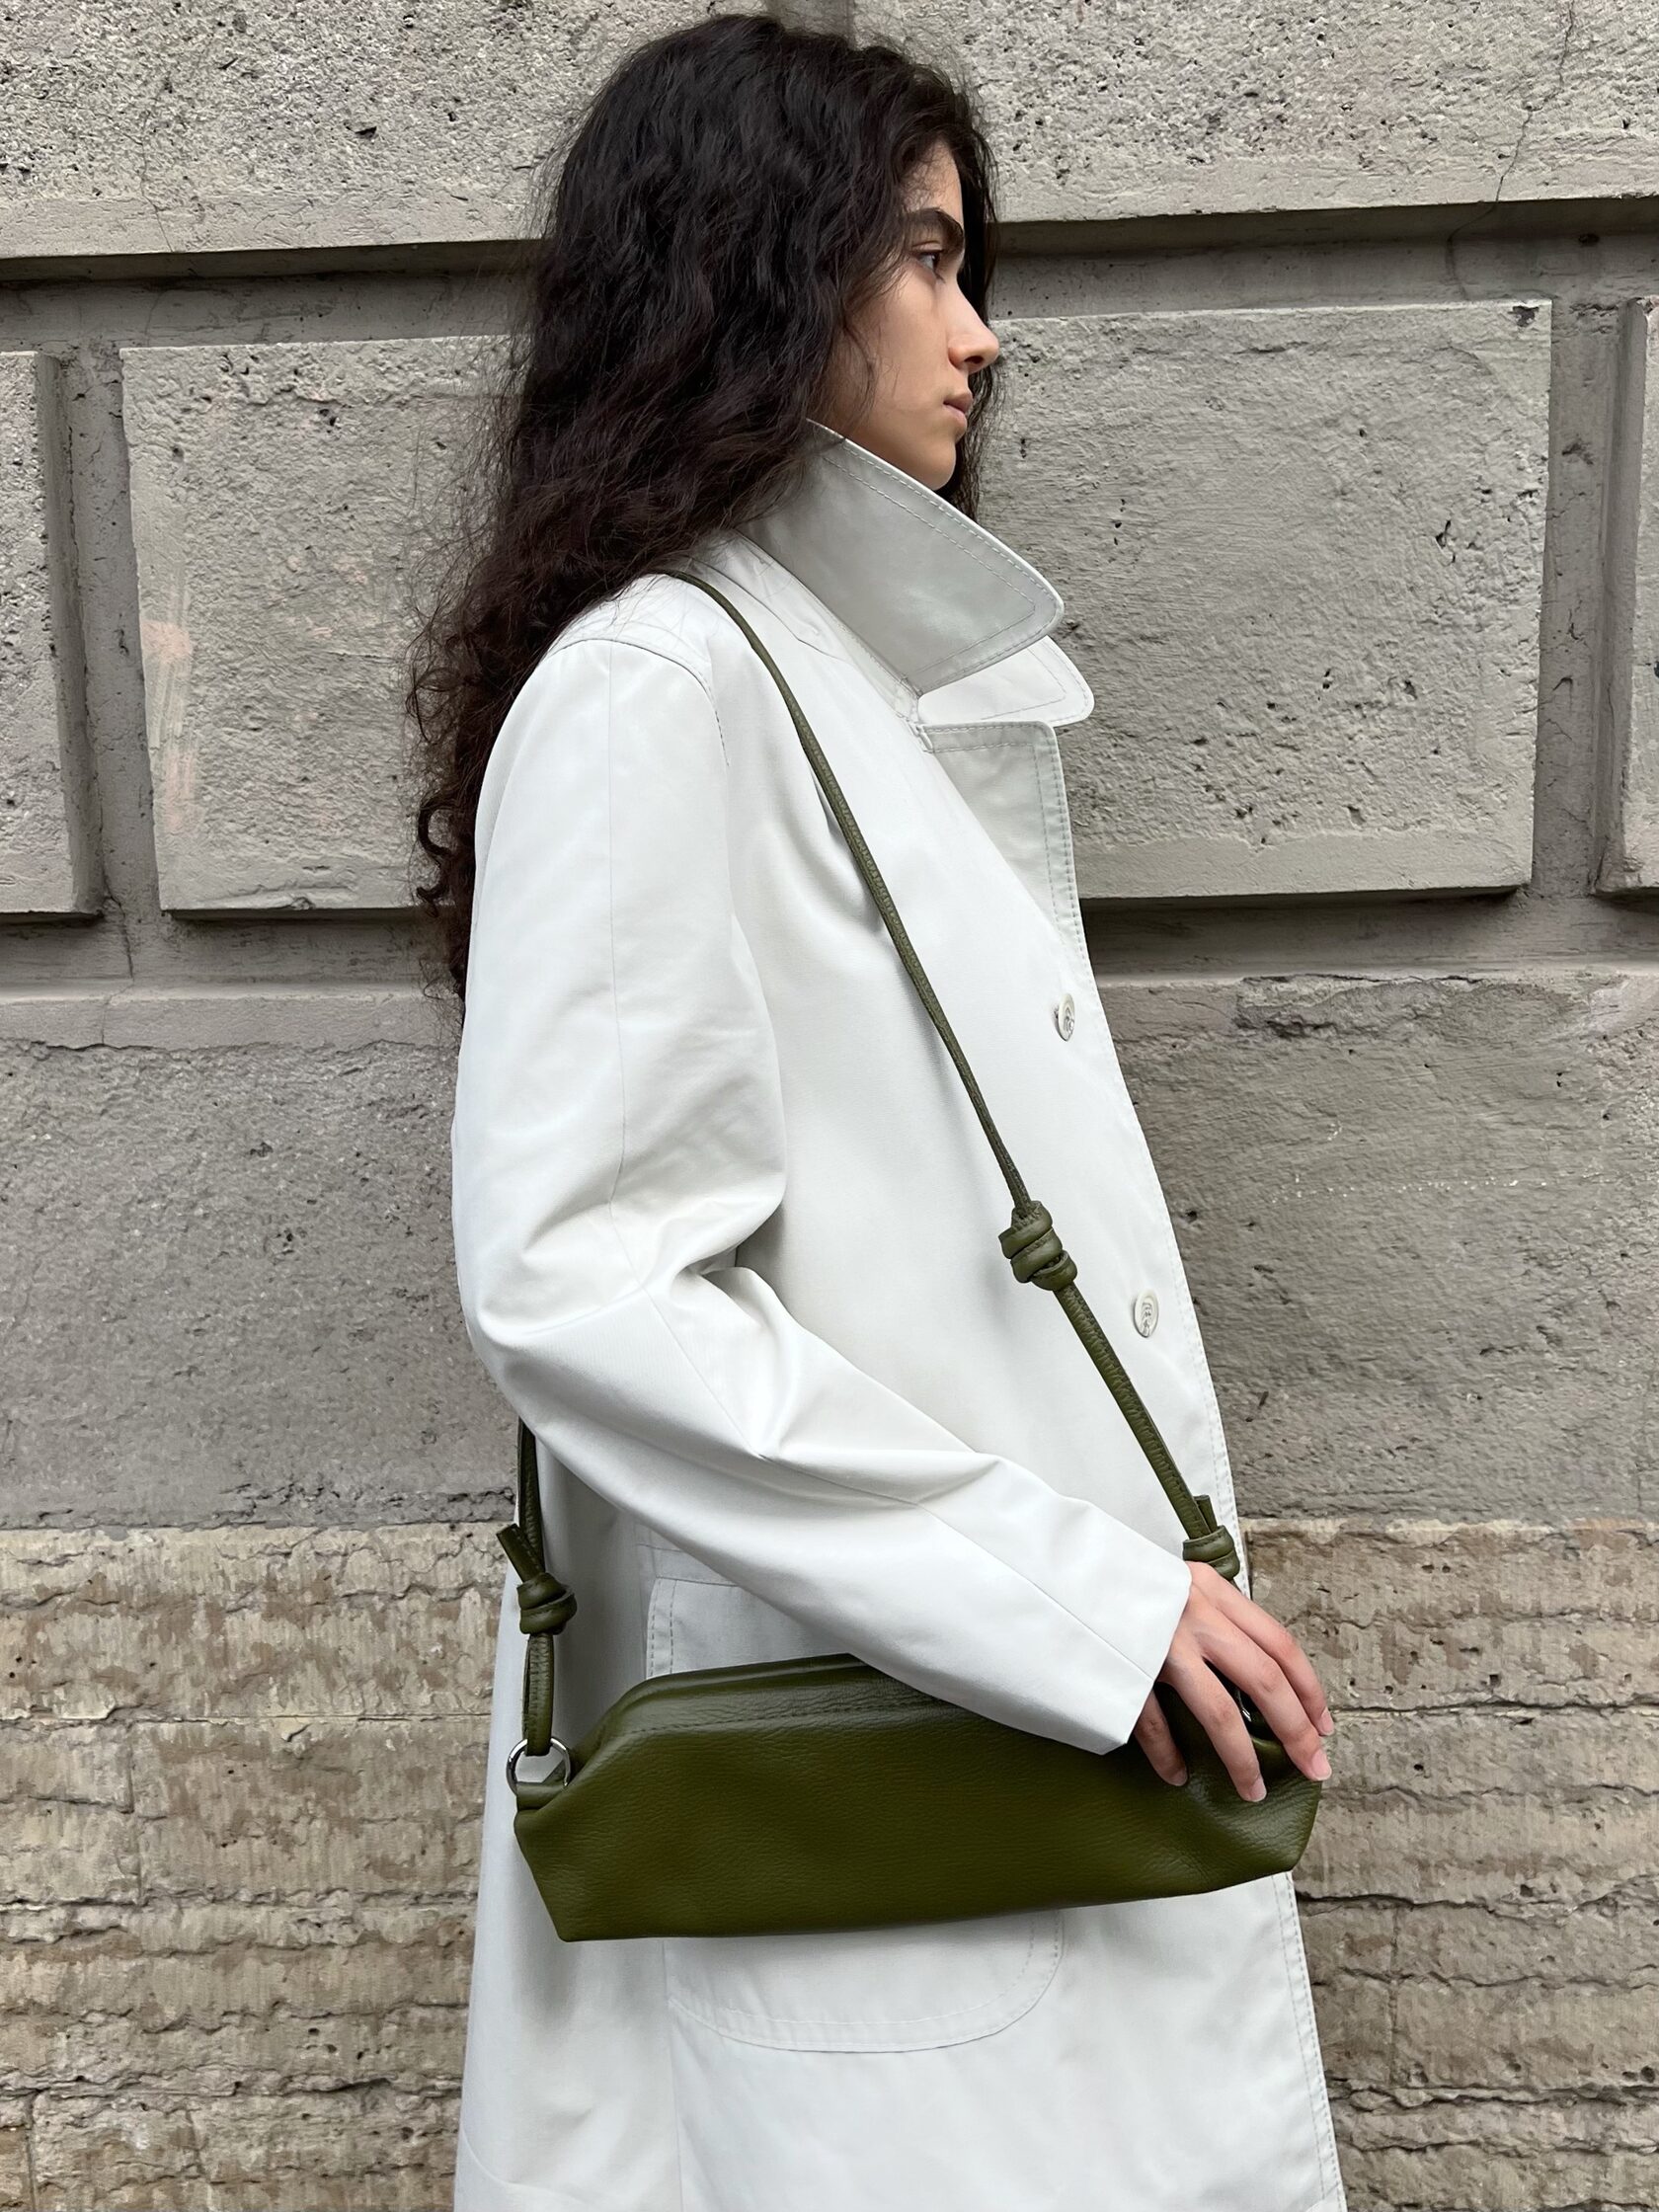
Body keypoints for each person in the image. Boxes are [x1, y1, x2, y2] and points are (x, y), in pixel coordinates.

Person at [407, 14, 1348, 2210]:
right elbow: (585, 1281)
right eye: (922, 259)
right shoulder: (661, 687)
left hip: (982, 1775)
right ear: (756, 276)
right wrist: (1071, 1601)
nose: (979, 333)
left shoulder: (832, 682)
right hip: (888, 1806)